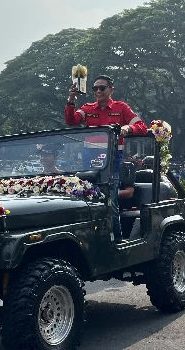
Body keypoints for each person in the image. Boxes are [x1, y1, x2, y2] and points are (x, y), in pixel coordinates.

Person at [65, 75, 148, 244]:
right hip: (90, 158)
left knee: (110, 200)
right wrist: (71, 97)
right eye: (95, 88)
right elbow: (71, 120)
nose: (97, 91)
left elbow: (142, 126)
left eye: (101, 88)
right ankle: (92, 240)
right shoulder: (87, 108)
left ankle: (116, 241)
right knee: (87, 198)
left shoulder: (121, 107)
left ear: (111, 90)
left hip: (112, 158)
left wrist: (127, 128)